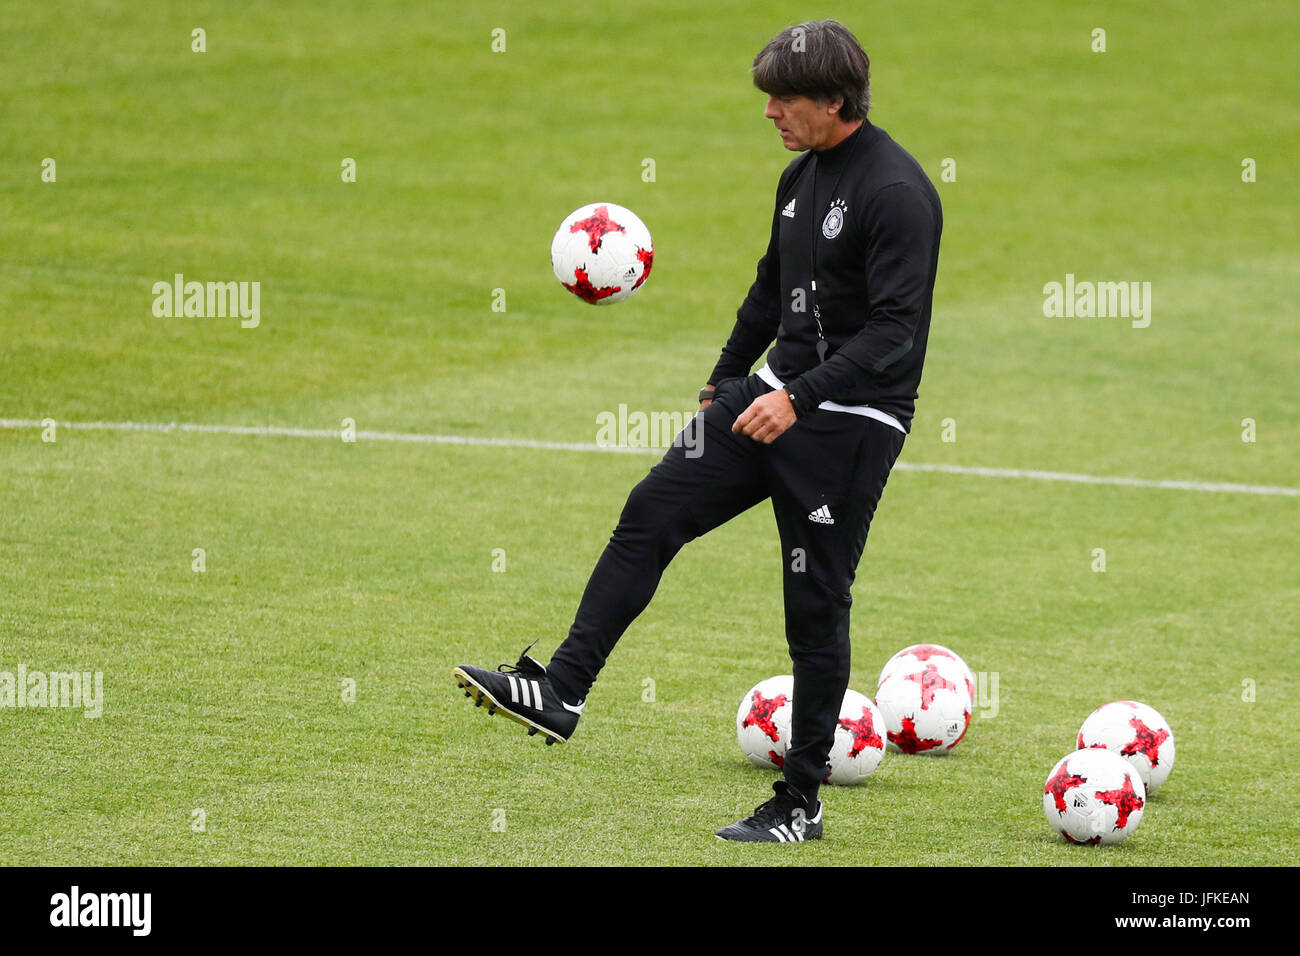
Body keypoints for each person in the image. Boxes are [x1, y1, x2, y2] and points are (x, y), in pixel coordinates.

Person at [454, 19, 942, 843]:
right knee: (653, 508)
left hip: (851, 421)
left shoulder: (897, 193)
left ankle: (799, 805)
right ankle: (562, 689)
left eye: (784, 99)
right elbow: (769, 288)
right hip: (769, 396)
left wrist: (799, 398)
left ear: (834, 99)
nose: (770, 113)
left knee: (813, 606)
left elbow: (895, 330)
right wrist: (728, 374)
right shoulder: (799, 178)